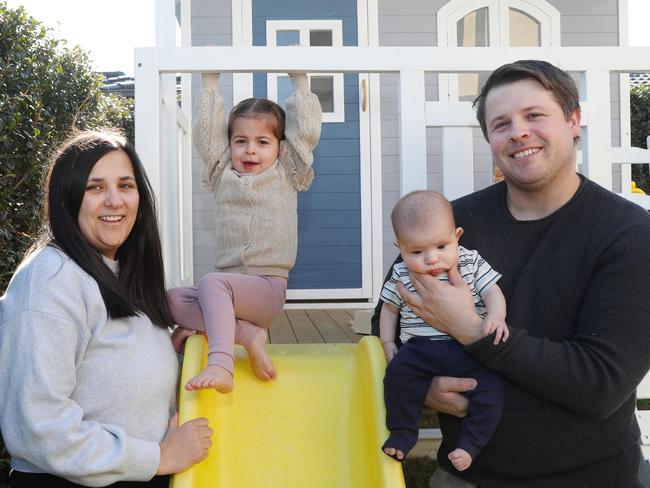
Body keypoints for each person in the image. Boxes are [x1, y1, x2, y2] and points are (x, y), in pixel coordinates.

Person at [372, 60, 650, 487]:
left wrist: (471, 330)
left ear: (574, 121)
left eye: (535, 115)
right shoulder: (453, 223)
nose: (518, 131)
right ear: (491, 141)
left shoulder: (628, 234)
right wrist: (420, 383)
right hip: (467, 475)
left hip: (590, 476)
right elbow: (389, 312)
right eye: (501, 124)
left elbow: (600, 385)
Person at [0, 130, 212, 487]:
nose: (115, 200)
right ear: (67, 198)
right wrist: (159, 458)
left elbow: (108, 369)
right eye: (94, 187)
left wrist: (168, 349)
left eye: (126, 185)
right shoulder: (51, 280)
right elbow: (37, 425)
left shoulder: (116, 269)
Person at [167, 72, 322, 393]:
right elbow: (206, 136)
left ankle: (221, 364)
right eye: (241, 141)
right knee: (169, 300)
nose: (251, 150)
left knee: (212, 282)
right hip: (228, 292)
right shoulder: (222, 172)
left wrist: (301, 83)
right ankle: (246, 334)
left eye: (262, 142)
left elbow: (304, 133)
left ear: (280, 147)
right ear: (230, 145)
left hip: (267, 290)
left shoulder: (287, 171)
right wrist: (208, 83)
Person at [379, 190, 508, 471]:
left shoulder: (470, 261)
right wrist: (388, 341)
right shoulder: (402, 273)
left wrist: (496, 317)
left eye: (440, 246)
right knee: (397, 377)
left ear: (457, 235)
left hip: (469, 349)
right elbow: (389, 308)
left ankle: (471, 444)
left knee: (493, 388)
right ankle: (403, 432)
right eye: (416, 251)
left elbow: (492, 291)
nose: (431, 259)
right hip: (420, 350)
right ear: (399, 247)